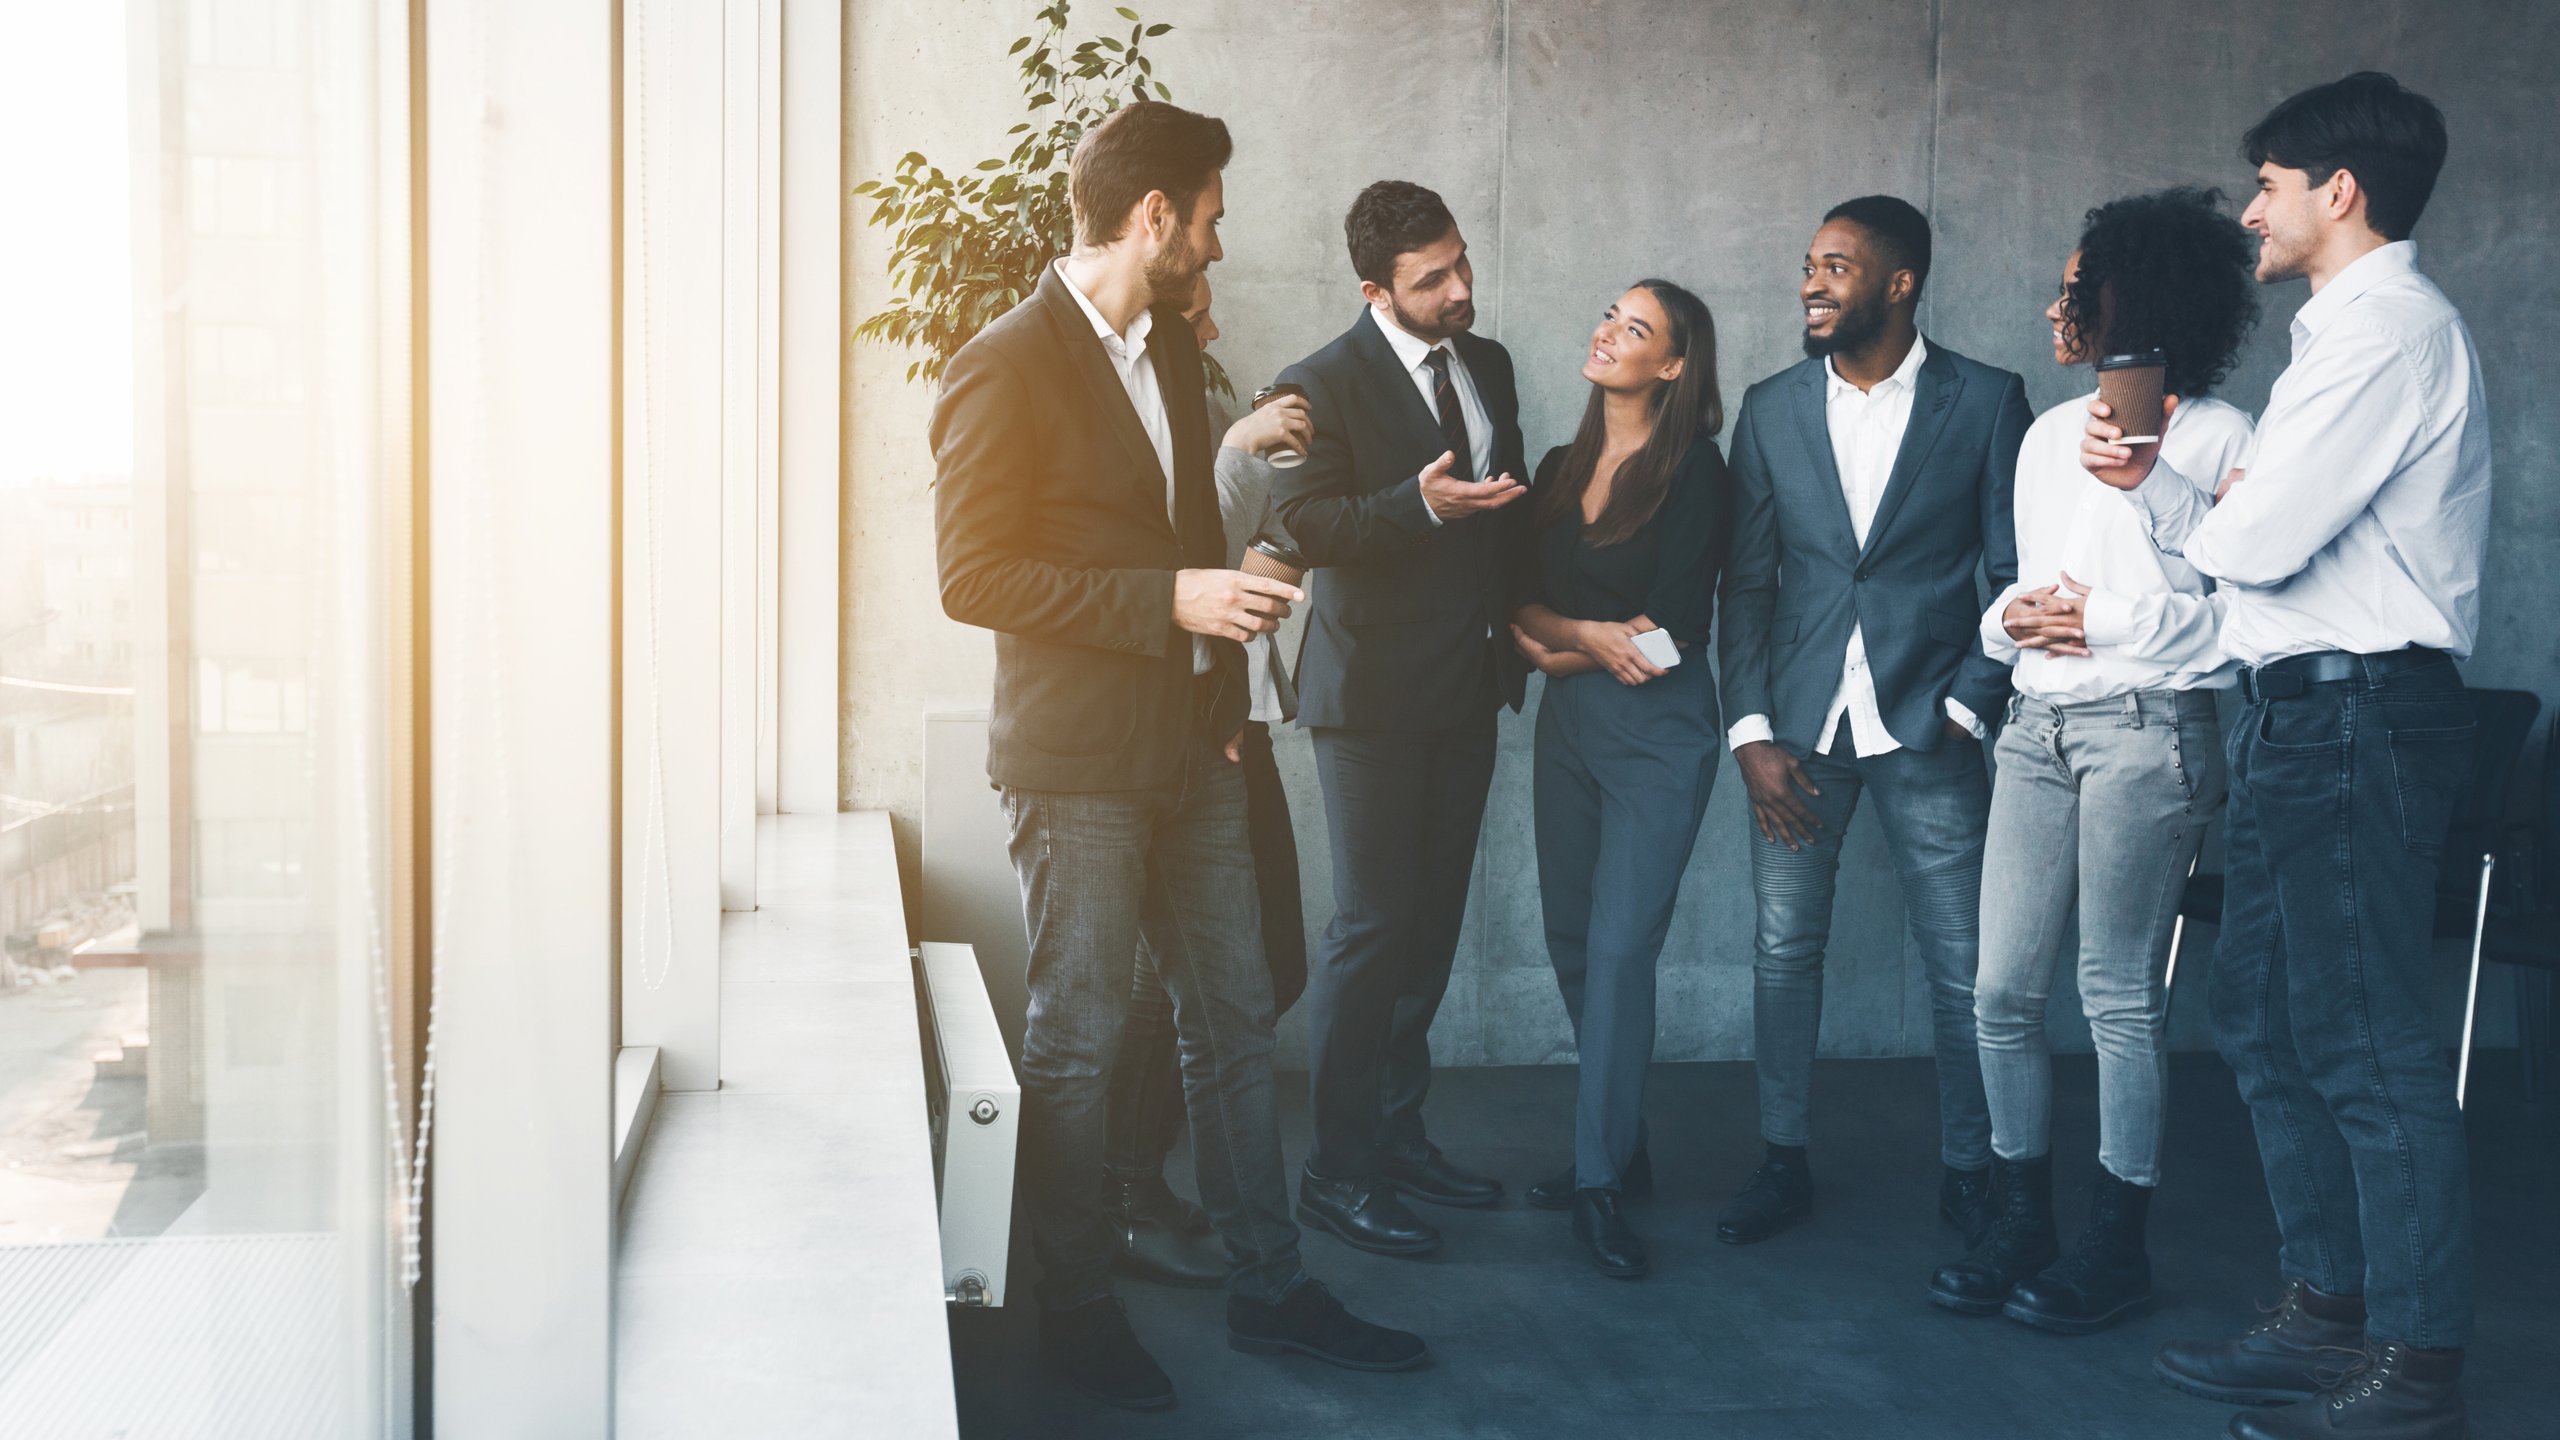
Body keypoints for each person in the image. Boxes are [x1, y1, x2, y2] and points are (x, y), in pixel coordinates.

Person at [930, 101, 1426, 1412]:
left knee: (1233, 1018)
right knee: (1080, 1041)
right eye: (1207, 217)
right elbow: (973, 577)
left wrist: (1219, 683)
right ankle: (1077, 1308)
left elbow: (1187, 539)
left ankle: (1271, 1287)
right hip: (1075, 768)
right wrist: (1171, 605)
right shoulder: (1000, 364)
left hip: (1195, 752)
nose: (1216, 242)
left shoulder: (1166, 358)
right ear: (1153, 215)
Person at [2084, 74, 2487, 1440]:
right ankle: (2329, 1313)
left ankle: (2412, 1366)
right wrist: (2181, 489)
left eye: (2267, 185)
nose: (2250, 211)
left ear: (2340, 191)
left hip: (2353, 713)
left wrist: (2226, 512)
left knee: (2364, 1043)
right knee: (2262, 1018)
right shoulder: (2343, 337)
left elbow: (2260, 548)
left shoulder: (2386, 333)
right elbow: (2254, 532)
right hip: (2302, 712)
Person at [1927, 189, 2257, 1336]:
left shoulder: (2219, 438)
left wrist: (2100, 620)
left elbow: (2234, 628)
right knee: (2000, 993)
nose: (2051, 308)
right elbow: (2017, 595)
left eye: (2073, 288)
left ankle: (2116, 1248)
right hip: (2034, 730)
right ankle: (2022, 1220)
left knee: (2115, 994)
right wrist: (2013, 621)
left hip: (2148, 733)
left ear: (2130, 294)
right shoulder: (2040, 436)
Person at [1715, 195, 2031, 1248]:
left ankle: (1973, 1170)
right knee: (1781, 951)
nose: (1812, 282)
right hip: (1797, 732)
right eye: (1809, 264)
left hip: (1929, 725)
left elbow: (2012, 570)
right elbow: (1746, 583)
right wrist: (1751, 732)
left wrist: (1969, 703)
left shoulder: (1985, 400)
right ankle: (1781, 1160)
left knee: (1964, 967)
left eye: (1837, 266)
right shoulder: (1769, 407)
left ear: (1899, 283)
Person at [1271, 179, 1530, 1258]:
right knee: (1371, 931)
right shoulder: (1316, 384)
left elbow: (1505, 511)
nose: (1460, 289)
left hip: (1466, 687)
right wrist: (1414, 504)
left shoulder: (1489, 363)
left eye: (1461, 263)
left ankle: (1394, 1133)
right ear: (1374, 290)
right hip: (1370, 700)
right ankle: (1336, 1174)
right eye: (1433, 280)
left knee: (1428, 929)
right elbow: (1299, 524)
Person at [1508, 280, 1732, 1278]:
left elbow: (1676, 627)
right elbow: (1519, 602)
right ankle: (1622, 1143)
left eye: (1635, 329)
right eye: (1609, 314)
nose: (1608, 332)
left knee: (1619, 949)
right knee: (1570, 938)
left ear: (1672, 366)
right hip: (1568, 725)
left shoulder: (1696, 470)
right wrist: (1582, 639)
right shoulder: (1559, 468)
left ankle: (1597, 1183)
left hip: (1657, 730)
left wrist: (1564, 645)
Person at [1097, 273, 1317, 1289]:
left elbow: (1247, 560)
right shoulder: (1158, 427)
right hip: (1180, 735)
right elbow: (1187, 565)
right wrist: (1240, 452)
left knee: (1229, 976)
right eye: (1197, 315)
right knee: (1211, 978)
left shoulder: (1196, 412)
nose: (1215, 327)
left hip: (1229, 720)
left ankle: (1141, 1190)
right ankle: (1128, 1191)